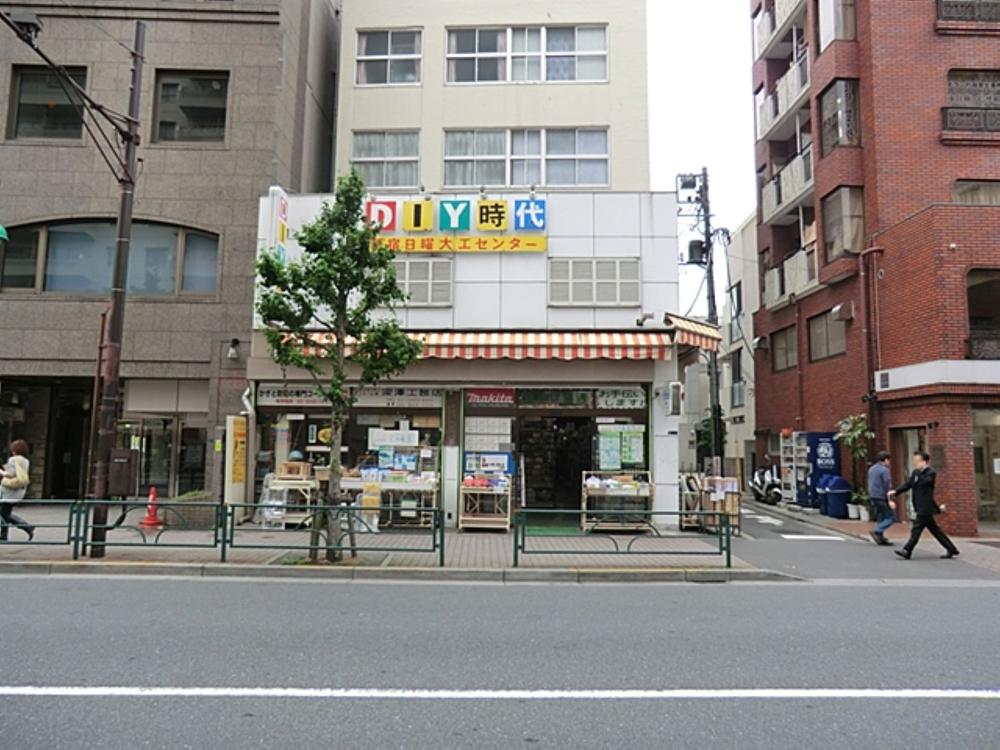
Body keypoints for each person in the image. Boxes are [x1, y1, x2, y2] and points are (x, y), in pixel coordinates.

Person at [889, 450, 959, 560]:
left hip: (926, 506)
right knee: (935, 530)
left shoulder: (930, 473)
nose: (915, 463)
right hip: (919, 505)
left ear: (924, 461)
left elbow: (925, 482)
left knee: (916, 530)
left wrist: (920, 472)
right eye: (914, 461)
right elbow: (908, 484)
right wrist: (896, 492)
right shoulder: (915, 473)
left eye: (917, 461)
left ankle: (907, 550)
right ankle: (951, 548)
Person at [0, 439, 35, 541]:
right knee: (4, 513)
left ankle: (26, 527)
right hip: (19, 491)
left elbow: (10, 474)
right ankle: (3, 535)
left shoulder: (13, 460)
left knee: (4, 514)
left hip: (9, 490)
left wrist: (1, 472)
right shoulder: (25, 461)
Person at [867, 451, 896, 546]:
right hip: (881, 496)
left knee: (881, 517)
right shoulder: (884, 470)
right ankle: (877, 530)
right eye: (889, 460)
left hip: (873, 496)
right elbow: (887, 484)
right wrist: (890, 499)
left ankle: (880, 537)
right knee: (891, 517)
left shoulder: (872, 469)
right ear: (886, 460)